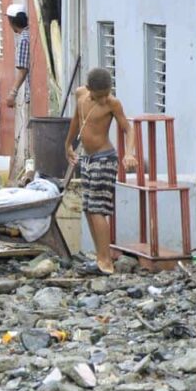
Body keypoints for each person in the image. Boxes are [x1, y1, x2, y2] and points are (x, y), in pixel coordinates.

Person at [65, 68, 138, 275]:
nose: (105, 98)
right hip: (87, 158)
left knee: (98, 209)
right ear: (89, 90)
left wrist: (129, 153)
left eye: (108, 93)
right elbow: (76, 120)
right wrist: (68, 144)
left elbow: (128, 129)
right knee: (89, 208)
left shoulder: (113, 103)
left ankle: (106, 263)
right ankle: (99, 258)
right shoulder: (80, 94)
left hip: (105, 158)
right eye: (101, 95)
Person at [5, 3, 31, 179]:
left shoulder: (23, 39)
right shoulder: (29, 34)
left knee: (29, 132)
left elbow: (23, 69)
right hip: (29, 90)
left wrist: (12, 93)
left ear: (12, 22)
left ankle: (28, 171)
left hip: (29, 91)